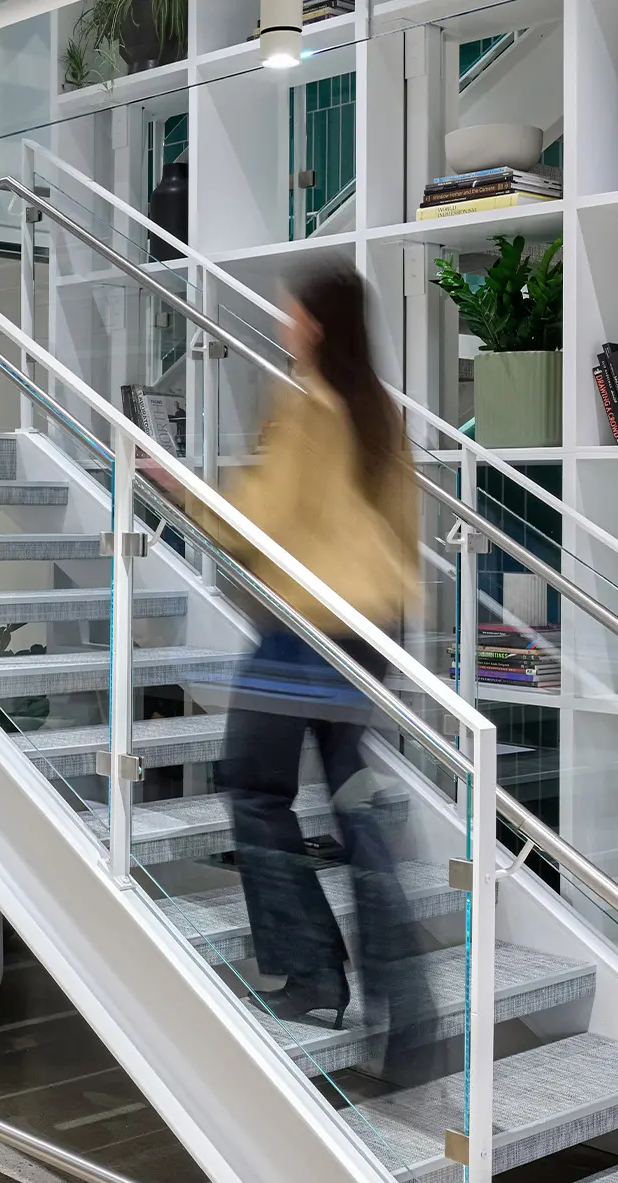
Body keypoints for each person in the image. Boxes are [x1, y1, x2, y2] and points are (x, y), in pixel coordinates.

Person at [200, 266, 431, 1051]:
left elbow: (260, 519)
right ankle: (405, 1004)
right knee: (355, 806)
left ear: (317, 326)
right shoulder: (378, 412)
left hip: (306, 627)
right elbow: (403, 527)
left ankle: (310, 975)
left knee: (254, 789)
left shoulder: (305, 408)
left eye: (290, 310)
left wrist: (183, 492)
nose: (281, 319)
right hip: (376, 626)